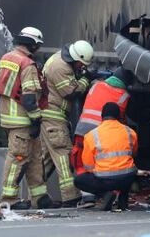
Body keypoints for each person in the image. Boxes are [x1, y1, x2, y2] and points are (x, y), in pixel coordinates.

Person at [0, 27, 53, 209]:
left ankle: (39, 197)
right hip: (23, 120)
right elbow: (28, 98)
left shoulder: (7, 58)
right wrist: (36, 119)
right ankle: (9, 199)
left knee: (35, 157)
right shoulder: (27, 64)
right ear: (32, 45)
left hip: (10, 117)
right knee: (18, 158)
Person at [41, 40, 94, 207]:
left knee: (46, 160)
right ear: (76, 58)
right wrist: (85, 80)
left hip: (51, 116)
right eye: (81, 64)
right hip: (53, 117)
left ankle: (37, 197)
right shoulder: (60, 66)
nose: (80, 67)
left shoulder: (61, 61)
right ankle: (71, 197)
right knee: (64, 154)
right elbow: (70, 91)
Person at [74, 102, 138, 211]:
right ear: (119, 116)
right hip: (126, 178)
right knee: (129, 171)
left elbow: (88, 165)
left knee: (78, 181)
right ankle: (122, 201)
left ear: (102, 117)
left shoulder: (91, 135)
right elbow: (134, 154)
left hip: (104, 181)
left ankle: (105, 194)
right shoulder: (130, 132)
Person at [71, 67, 133, 175]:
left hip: (81, 130)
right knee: (103, 161)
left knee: (80, 161)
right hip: (101, 134)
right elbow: (120, 122)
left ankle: (82, 181)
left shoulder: (96, 86)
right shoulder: (124, 96)